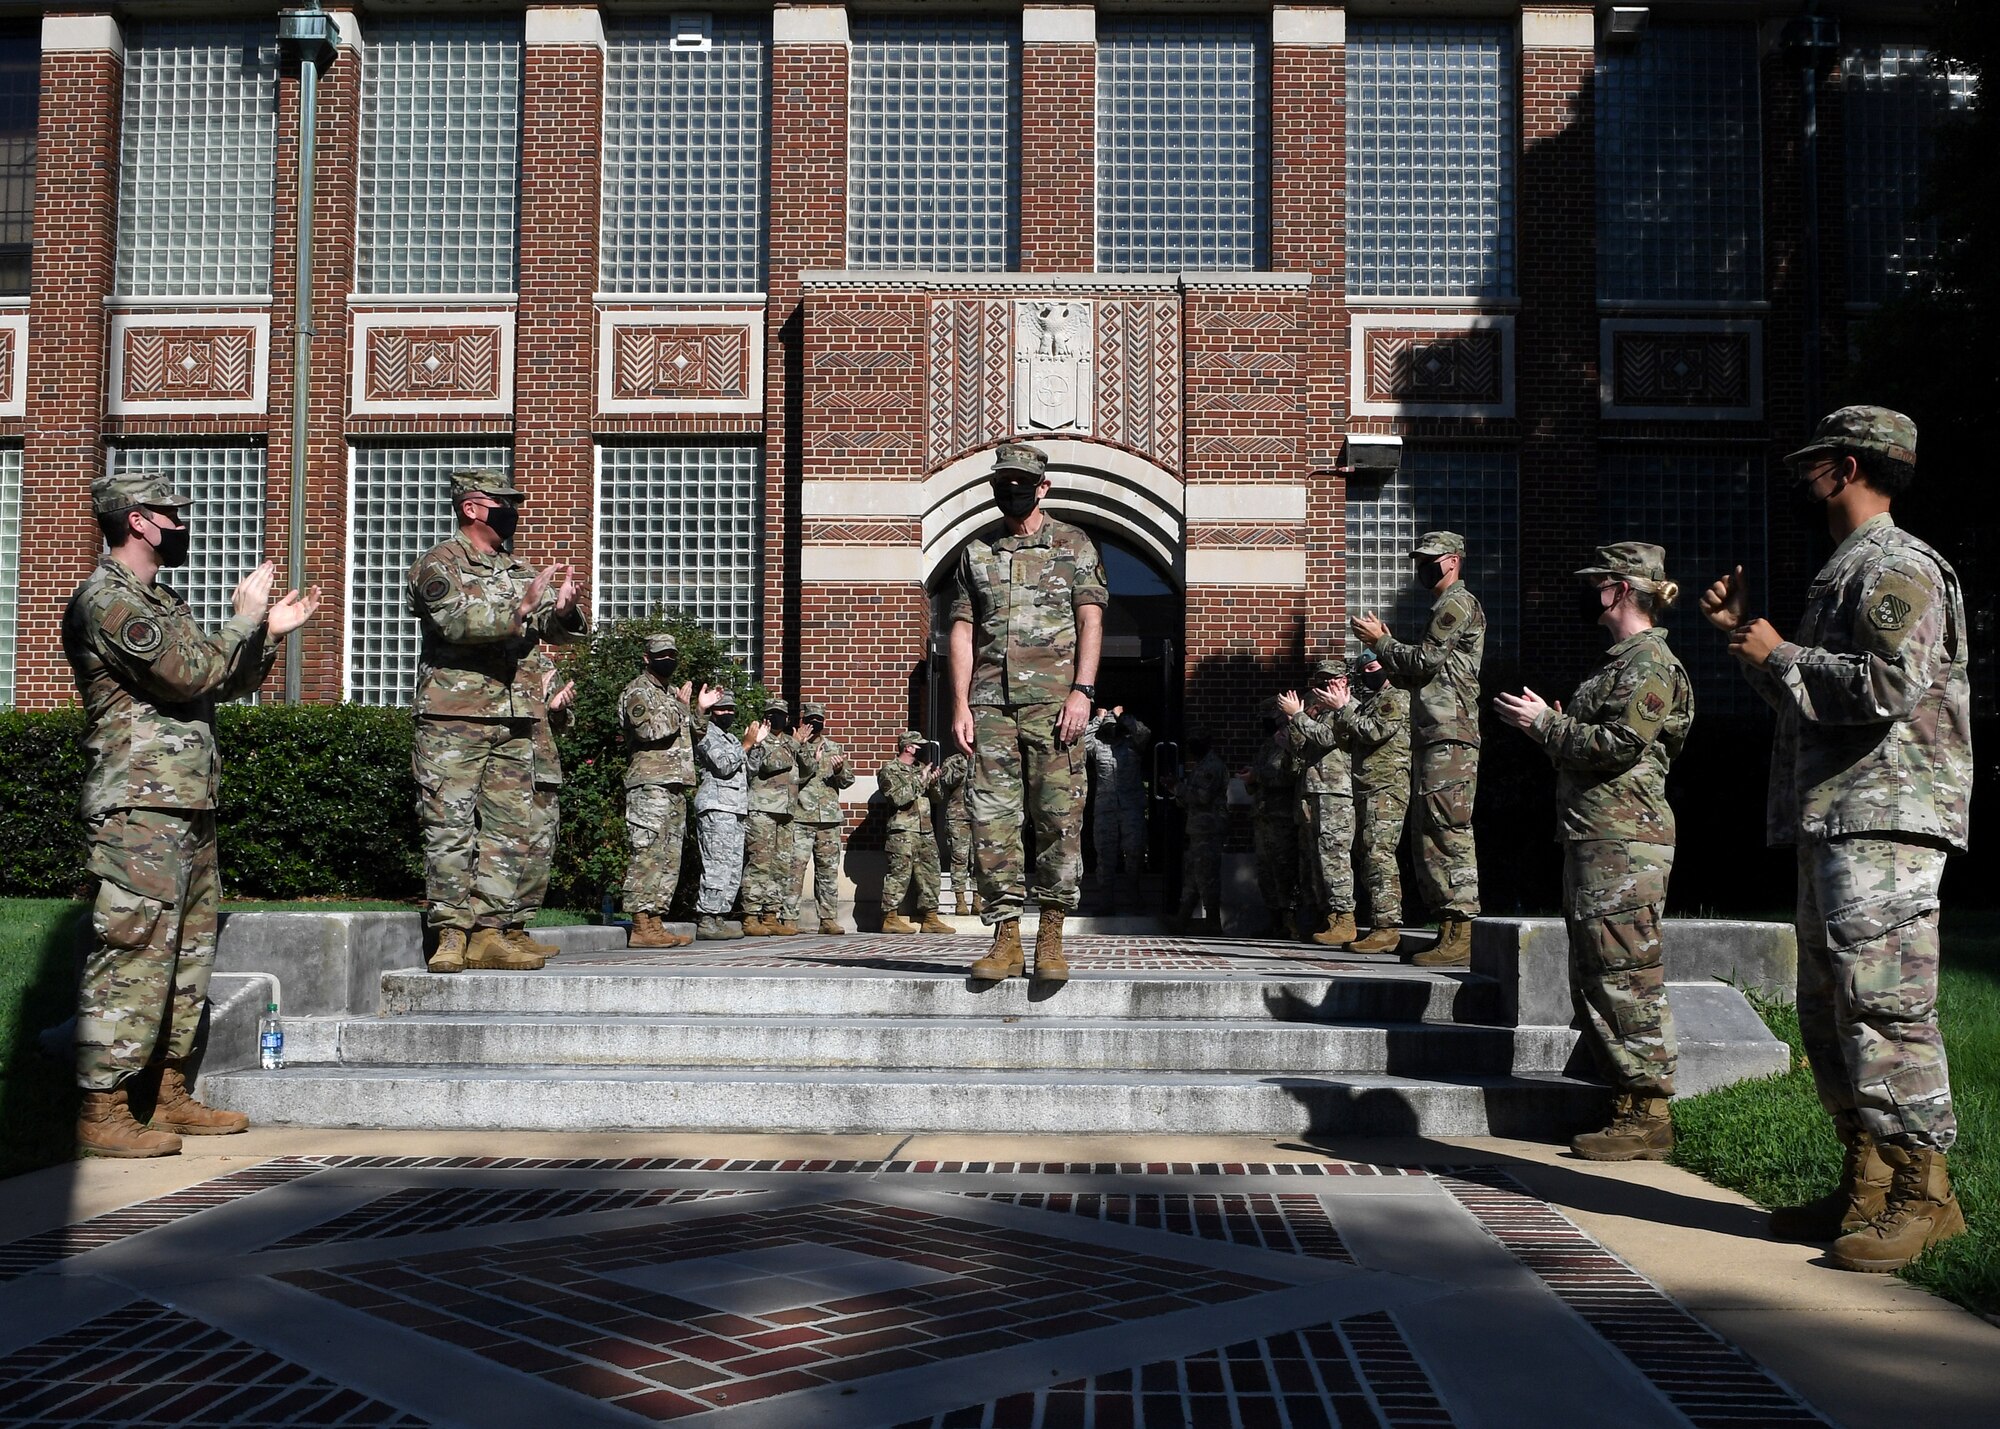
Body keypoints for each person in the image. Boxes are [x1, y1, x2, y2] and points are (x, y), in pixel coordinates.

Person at [1702, 406, 1970, 1271]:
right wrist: (1753, 647)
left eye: (1813, 461)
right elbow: (1816, 700)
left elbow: (1886, 686)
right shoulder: (1842, 573)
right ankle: (1864, 1177)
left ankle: (1924, 1193)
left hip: (1886, 822)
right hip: (1839, 816)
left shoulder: (1899, 566)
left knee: (1886, 1003)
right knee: (1830, 1005)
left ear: (1847, 466)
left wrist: (1780, 652)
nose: (1802, 474)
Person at [64, 469, 318, 1156]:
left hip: (186, 801)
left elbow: (223, 679)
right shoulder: (107, 602)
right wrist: (241, 617)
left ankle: (167, 1092)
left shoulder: (159, 598)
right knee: (133, 952)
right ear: (138, 521)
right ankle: (103, 1108)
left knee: (185, 957)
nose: (180, 524)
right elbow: (187, 672)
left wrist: (265, 632)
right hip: (138, 808)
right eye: (170, 514)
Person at [1496, 543, 1694, 1161]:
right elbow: (1596, 745)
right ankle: (1627, 1099)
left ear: (1621, 590)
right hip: (1597, 836)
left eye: (1597, 583)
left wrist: (1547, 727)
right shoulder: (1619, 665)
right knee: (1600, 971)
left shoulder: (1650, 665)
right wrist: (1557, 731)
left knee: (1627, 972)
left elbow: (1620, 743)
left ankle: (1649, 1109)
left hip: (1624, 843)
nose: (1589, 593)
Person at [408, 469, 584, 974]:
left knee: (511, 830)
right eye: (501, 502)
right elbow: (453, 621)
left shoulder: (517, 568)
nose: (511, 510)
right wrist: (519, 610)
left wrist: (565, 613)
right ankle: (450, 932)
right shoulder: (437, 564)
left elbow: (558, 627)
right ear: (472, 508)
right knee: (449, 827)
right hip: (453, 716)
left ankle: (490, 931)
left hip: (516, 716)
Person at [947, 442, 1108, 985]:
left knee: (1057, 818)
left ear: (1042, 487)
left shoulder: (1073, 544)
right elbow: (963, 631)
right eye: (1001, 482)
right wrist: (961, 704)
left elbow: (1090, 620)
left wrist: (1082, 691)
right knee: (991, 819)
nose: (1009, 490)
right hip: (991, 705)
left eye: (1020, 481)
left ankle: (1053, 935)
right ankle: (1006, 937)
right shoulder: (976, 552)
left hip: (1055, 704)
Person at [1351, 530, 1486, 967]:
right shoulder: (1443, 606)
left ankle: (1461, 930)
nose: (1422, 566)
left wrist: (1378, 643)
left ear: (1453, 561)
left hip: (1450, 733)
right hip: (1435, 732)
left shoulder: (1455, 604)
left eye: (1431, 559)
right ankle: (1448, 927)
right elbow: (1416, 677)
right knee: (1429, 833)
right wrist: (1388, 652)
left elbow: (1424, 662)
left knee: (1447, 829)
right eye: (1420, 558)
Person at [1330, 648, 1411, 954]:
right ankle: (1380, 924)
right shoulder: (1370, 703)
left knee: (1379, 854)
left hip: (1387, 786)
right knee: (1369, 854)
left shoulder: (1396, 697)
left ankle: (1387, 928)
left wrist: (1345, 708)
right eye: (1363, 669)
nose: (1368, 674)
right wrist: (1343, 708)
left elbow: (1374, 731)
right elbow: (1348, 739)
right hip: (1368, 787)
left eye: (1374, 667)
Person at [619, 633, 697, 949]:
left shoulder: (672, 693)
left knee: (668, 857)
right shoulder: (638, 691)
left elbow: (693, 733)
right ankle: (640, 923)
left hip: (674, 784)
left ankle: (655, 921)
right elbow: (649, 730)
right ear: (647, 658)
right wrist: (680, 707)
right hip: (649, 783)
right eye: (662, 654)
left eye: (672, 654)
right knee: (647, 852)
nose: (669, 659)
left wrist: (695, 708)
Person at [1277, 659, 1358, 948]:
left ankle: (1344, 918)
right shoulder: (1320, 712)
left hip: (1336, 793)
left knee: (1334, 856)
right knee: (1314, 860)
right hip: (1312, 792)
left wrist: (1298, 715)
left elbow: (1327, 738)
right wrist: (1295, 722)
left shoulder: (1348, 709)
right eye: (1322, 682)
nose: (1327, 687)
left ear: (1345, 681)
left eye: (1333, 680)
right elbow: (1301, 748)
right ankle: (1325, 915)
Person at [512, 647, 573, 959]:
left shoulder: (543, 661)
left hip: (543, 771)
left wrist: (558, 709)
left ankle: (516, 930)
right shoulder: (488, 656)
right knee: (503, 854)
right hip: (505, 770)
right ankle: (489, 930)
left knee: (538, 854)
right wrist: (533, 698)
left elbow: (560, 724)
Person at [877, 731, 953, 934]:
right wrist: (921, 779)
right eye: (918, 746)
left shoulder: (921, 769)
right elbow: (899, 798)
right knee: (899, 874)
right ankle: (890, 918)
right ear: (908, 747)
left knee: (931, 872)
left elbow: (937, 798)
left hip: (925, 829)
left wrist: (934, 781)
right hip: (902, 831)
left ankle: (930, 918)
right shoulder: (889, 770)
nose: (922, 750)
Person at [792, 700, 855, 935]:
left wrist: (839, 770)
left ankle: (828, 919)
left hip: (828, 819)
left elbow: (848, 780)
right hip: (801, 816)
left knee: (828, 871)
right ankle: (789, 918)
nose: (814, 724)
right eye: (810, 720)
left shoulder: (834, 747)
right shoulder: (795, 745)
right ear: (803, 722)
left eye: (819, 720)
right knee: (794, 870)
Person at [1243, 697, 1303, 939]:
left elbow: (1290, 775)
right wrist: (1251, 778)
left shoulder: (1290, 741)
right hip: (1263, 816)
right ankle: (1275, 921)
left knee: (1284, 870)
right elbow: (1258, 775)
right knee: (1266, 873)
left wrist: (1258, 776)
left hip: (1282, 818)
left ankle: (1292, 922)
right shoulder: (1268, 745)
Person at [741, 697, 802, 936]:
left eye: (781, 714)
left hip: (786, 811)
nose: (776, 718)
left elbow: (806, 770)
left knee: (781, 866)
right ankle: (750, 915)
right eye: (772, 713)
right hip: (763, 810)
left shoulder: (791, 740)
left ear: (787, 719)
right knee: (760, 864)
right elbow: (769, 763)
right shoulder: (760, 737)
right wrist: (796, 746)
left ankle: (770, 914)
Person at [1082, 705, 1152, 912]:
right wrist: (1098, 718)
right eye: (1108, 727)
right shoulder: (1098, 746)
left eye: (1115, 726)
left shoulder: (1133, 745)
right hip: (1106, 810)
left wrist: (1123, 716)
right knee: (1105, 854)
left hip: (1131, 808)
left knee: (1134, 851)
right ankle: (1106, 900)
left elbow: (1144, 733)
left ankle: (1134, 894)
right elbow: (1083, 741)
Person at [692, 685, 748, 941]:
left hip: (734, 807)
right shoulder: (707, 734)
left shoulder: (731, 738)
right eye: (722, 708)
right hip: (716, 806)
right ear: (712, 711)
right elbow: (723, 765)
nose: (727, 713)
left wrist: (753, 745)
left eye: (731, 709)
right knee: (716, 865)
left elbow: (750, 768)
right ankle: (706, 916)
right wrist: (746, 746)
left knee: (732, 866)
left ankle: (720, 916)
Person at [1172, 732, 1231, 933]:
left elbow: (1202, 796)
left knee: (1207, 875)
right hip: (1198, 829)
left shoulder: (1211, 766)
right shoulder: (1200, 765)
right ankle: (1182, 919)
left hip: (1209, 829)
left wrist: (1177, 788)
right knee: (1193, 875)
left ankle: (1212, 922)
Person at [932, 750, 978, 915]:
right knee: (959, 858)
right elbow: (947, 780)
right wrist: (965, 764)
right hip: (958, 815)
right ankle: (960, 900)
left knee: (979, 859)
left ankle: (977, 899)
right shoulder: (953, 760)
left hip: (981, 815)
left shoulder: (986, 757)